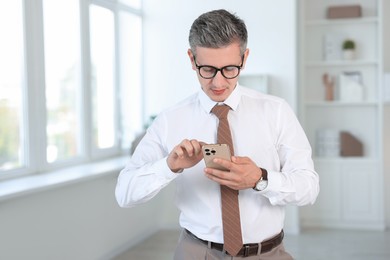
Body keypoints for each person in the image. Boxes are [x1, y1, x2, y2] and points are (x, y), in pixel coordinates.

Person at [115, 9, 319, 260]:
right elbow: (125, 193)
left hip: (268, 253)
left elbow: (309, 188)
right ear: (192, 59)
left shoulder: (276, 111)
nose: (218, 82)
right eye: (208, 69)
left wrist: (260, 179)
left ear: (244, 58)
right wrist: (169, 166)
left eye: (230, 69)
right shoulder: (170, 119)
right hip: (196, 253)